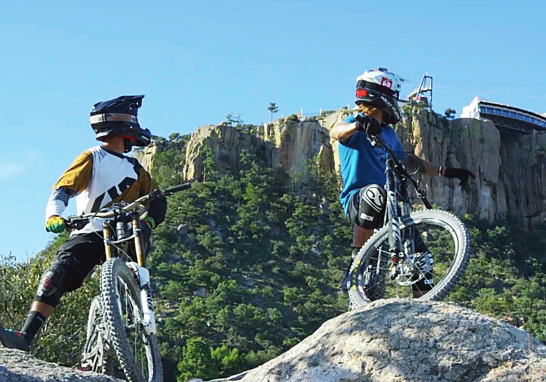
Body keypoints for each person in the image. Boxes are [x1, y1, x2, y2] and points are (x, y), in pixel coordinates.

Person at [0, 95, 167, 352]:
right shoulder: (93, 157)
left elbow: (158, 201)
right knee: (53, 278)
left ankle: (141, 312)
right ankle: (25, 337)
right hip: (92, 229)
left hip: (127, 231)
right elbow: (63, 189)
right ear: (124, 125)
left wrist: (149, 222)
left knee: (137, 267)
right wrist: (54, 216)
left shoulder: (137, 170)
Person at [330, 68, 473, 296]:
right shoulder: (354, 120)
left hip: (391, 209)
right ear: (383, 94)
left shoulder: (388, 133)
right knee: (375, 194)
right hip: (359, 201)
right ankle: (356, 263)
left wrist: (446, 172)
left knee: (422, 260)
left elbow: (408, 160)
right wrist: (358, 126)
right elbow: (336, 132)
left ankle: (423, 304)